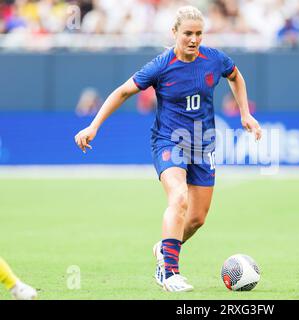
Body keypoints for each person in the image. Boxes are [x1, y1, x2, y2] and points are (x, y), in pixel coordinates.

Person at [74, 5, 262, 292]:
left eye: (199, 33)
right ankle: (168, 271)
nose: (194, 39)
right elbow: (124, 91)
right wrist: (94, 125)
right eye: (188, 33)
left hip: (203, 144)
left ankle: (164, 248)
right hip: (168, 141)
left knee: (197, 218)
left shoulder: (214, 59)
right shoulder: (161, 65)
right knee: (178, 197)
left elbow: (235, 76)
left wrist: (245, 113)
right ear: (174, 32)